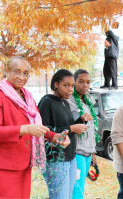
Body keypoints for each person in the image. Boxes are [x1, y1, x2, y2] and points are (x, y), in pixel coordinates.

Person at [0, 56, 69, 199]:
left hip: (23, 163)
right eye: (17, 71)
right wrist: (26, 129)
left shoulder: (27, 97)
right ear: (6, 71)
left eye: (26, 73)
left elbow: (36, 126)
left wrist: (54, 136)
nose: (22, 77)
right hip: (1, 165)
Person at [38, 69, 89, 199]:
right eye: (66, 85)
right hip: (56, 159)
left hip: (71, 158)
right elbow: (44, 130)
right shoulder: (46, 102)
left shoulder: (65, 103)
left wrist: (81, 120)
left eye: (72, 86)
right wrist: (72, 128)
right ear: (56, 84)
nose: (70, 89)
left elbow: (67, 126)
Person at [66, 69, 99, 199]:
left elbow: (92, 128)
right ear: (74, 82)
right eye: (81, 82)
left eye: (88, 82)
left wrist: (94, 153)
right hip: (77, 151)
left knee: (81, 188)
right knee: (77, 191)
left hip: (88, 152)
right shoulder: (69, 100)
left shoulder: (89, 100)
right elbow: (67, 124)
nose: (85, 85)